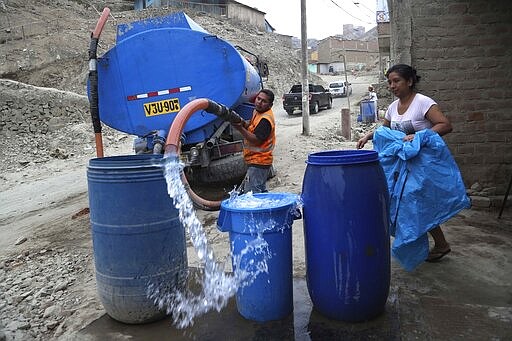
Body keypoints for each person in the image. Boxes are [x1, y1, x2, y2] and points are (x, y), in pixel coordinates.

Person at [357, 64, 453, 263]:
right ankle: (436, 244)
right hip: (403, 166)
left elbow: (445, 124)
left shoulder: (423, 103)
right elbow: (385, 131)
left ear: (409, 81)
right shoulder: (393, 107)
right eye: (390, 82)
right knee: (412, 203)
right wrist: (368, 135)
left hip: (422, 165)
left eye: (396, 81)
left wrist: (418, 136)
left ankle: (431, 244)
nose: (392, 86)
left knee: (414, 202)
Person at [232, 89, 276, 194]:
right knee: (259, 191)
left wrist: (240, 129)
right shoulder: (257, 111)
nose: (259, 102)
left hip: (259, 161)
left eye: (264, 101)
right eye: (258, 99)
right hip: (255, 161)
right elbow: (253, 127)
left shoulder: (266, 120)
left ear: (270, 105)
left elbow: (256, 140)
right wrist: (243, 124)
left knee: (253, 195)